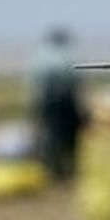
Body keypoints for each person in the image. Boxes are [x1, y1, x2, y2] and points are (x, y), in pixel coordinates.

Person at [28, 26, 84, 180]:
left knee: (52, 138)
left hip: (49, 104)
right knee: (67, 139)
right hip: (64, 104)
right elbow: (76, 82)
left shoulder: (40, 58)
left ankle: (54, 170)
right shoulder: (66, 57)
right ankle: (64, 171)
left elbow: (35, 85)